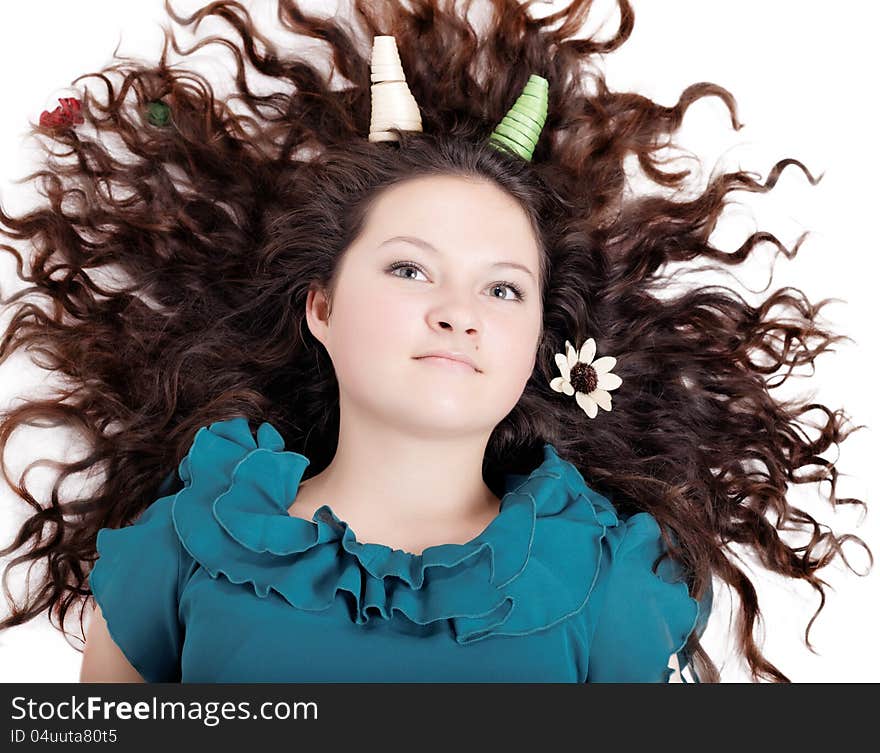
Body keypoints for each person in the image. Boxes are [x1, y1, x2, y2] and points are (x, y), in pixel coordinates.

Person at [0, 0, 870, 683]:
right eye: (410, 270)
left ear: (537, 343)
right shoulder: (182, 548)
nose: (460, 311)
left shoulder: (609, 584)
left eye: (502, 287)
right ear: (320, 308)